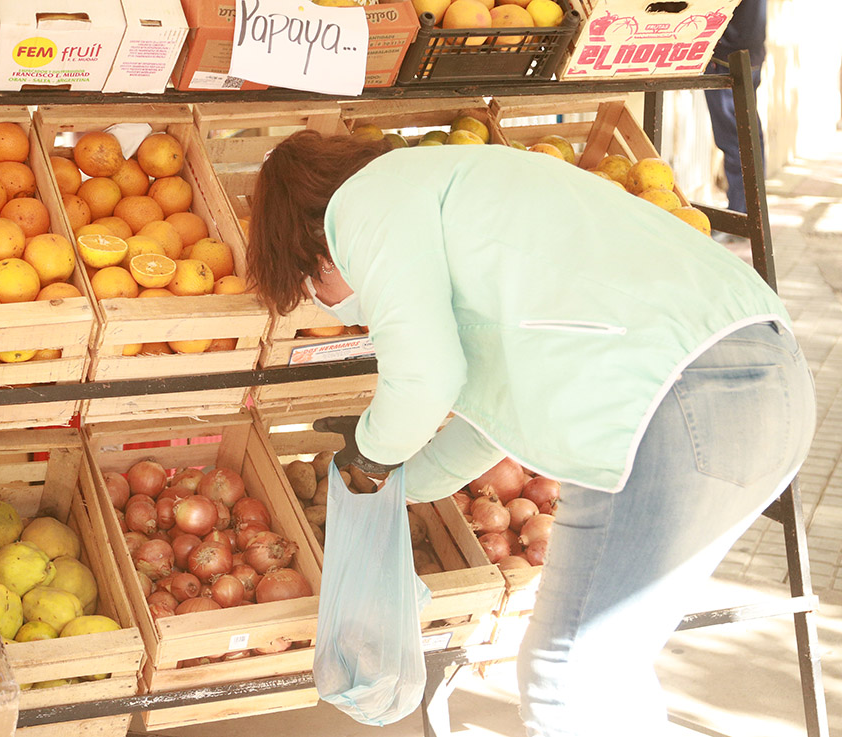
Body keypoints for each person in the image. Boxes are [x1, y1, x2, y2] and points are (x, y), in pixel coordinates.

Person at [247, 131, 816, 737]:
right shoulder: (465, 190)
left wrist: (368, 456)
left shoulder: (363, 203)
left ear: (318, 252)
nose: (329, 305)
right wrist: (399, 488)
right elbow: (493, 425)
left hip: (672, 401)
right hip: (771, 384)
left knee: (566, 682)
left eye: (314, 291)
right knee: (604, 675)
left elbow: (425, 379)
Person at [704, 0, 767, 215]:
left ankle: (743, 215)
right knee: (747, 135)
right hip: (750, 53)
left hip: (728, 58)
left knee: (735, 139)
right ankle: (751, 212)